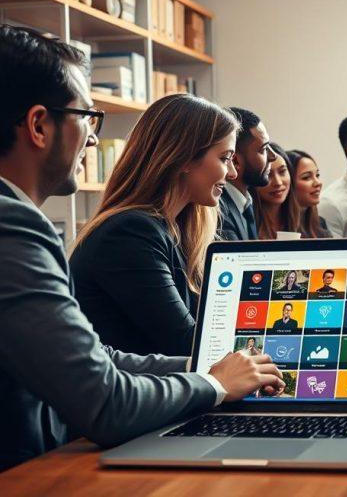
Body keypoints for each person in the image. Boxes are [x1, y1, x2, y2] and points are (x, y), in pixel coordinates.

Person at [0, 25, 282, 471]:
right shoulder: (14, 225)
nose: (93, 138)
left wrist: (217, 368)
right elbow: (105, 402)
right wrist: (213, 381)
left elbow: (101, 356)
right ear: (38, 125)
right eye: (86, 118)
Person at [70, 94, 241, 357]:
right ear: (185, 158)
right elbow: (188, 345)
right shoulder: (129, 233)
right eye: (225, 158)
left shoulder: (173, 230)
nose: (232, 173)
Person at [217, 107, 276, 241]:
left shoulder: (245, 202)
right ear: (235, 160)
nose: (273, 156)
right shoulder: (219, 212)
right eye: (264, 149)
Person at [252, 142, 296, 240]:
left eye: (282, 171)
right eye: (268, 174)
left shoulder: (302, 221)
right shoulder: (247, 225)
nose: (278, 182)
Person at [287, 149, 330, 238]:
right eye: (306, 177)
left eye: (317, 175)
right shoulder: (277, 225)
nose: (318, 183)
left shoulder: (320, 223)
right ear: (288, 183)